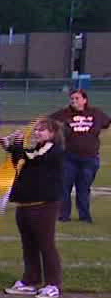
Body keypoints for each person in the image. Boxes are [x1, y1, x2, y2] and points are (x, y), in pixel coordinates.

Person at [2, 117, 66, 298]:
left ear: (52, 134)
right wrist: (11, 146)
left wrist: (18, 145)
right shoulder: (38, 149)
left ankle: (53, 284)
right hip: (26, 204)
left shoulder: (53, 149)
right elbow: (21, 161)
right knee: (28, 245)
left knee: (46, 245)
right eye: (37, 129)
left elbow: (32, 158)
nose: (37, 132)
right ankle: (31, 280)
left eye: (42, 130)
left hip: (43, 205)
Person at [53, 88, 109, 222]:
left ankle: (84, 216)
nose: (74, 101)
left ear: (85, 100)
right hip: (69, 157)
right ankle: (63, 216)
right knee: (65, 187)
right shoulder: (65, 113)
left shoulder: (96, 113)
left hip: (90, 158)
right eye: (72, 99)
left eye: (77, 98)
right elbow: (48, 121)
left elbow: (107, 123)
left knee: (84, 188)